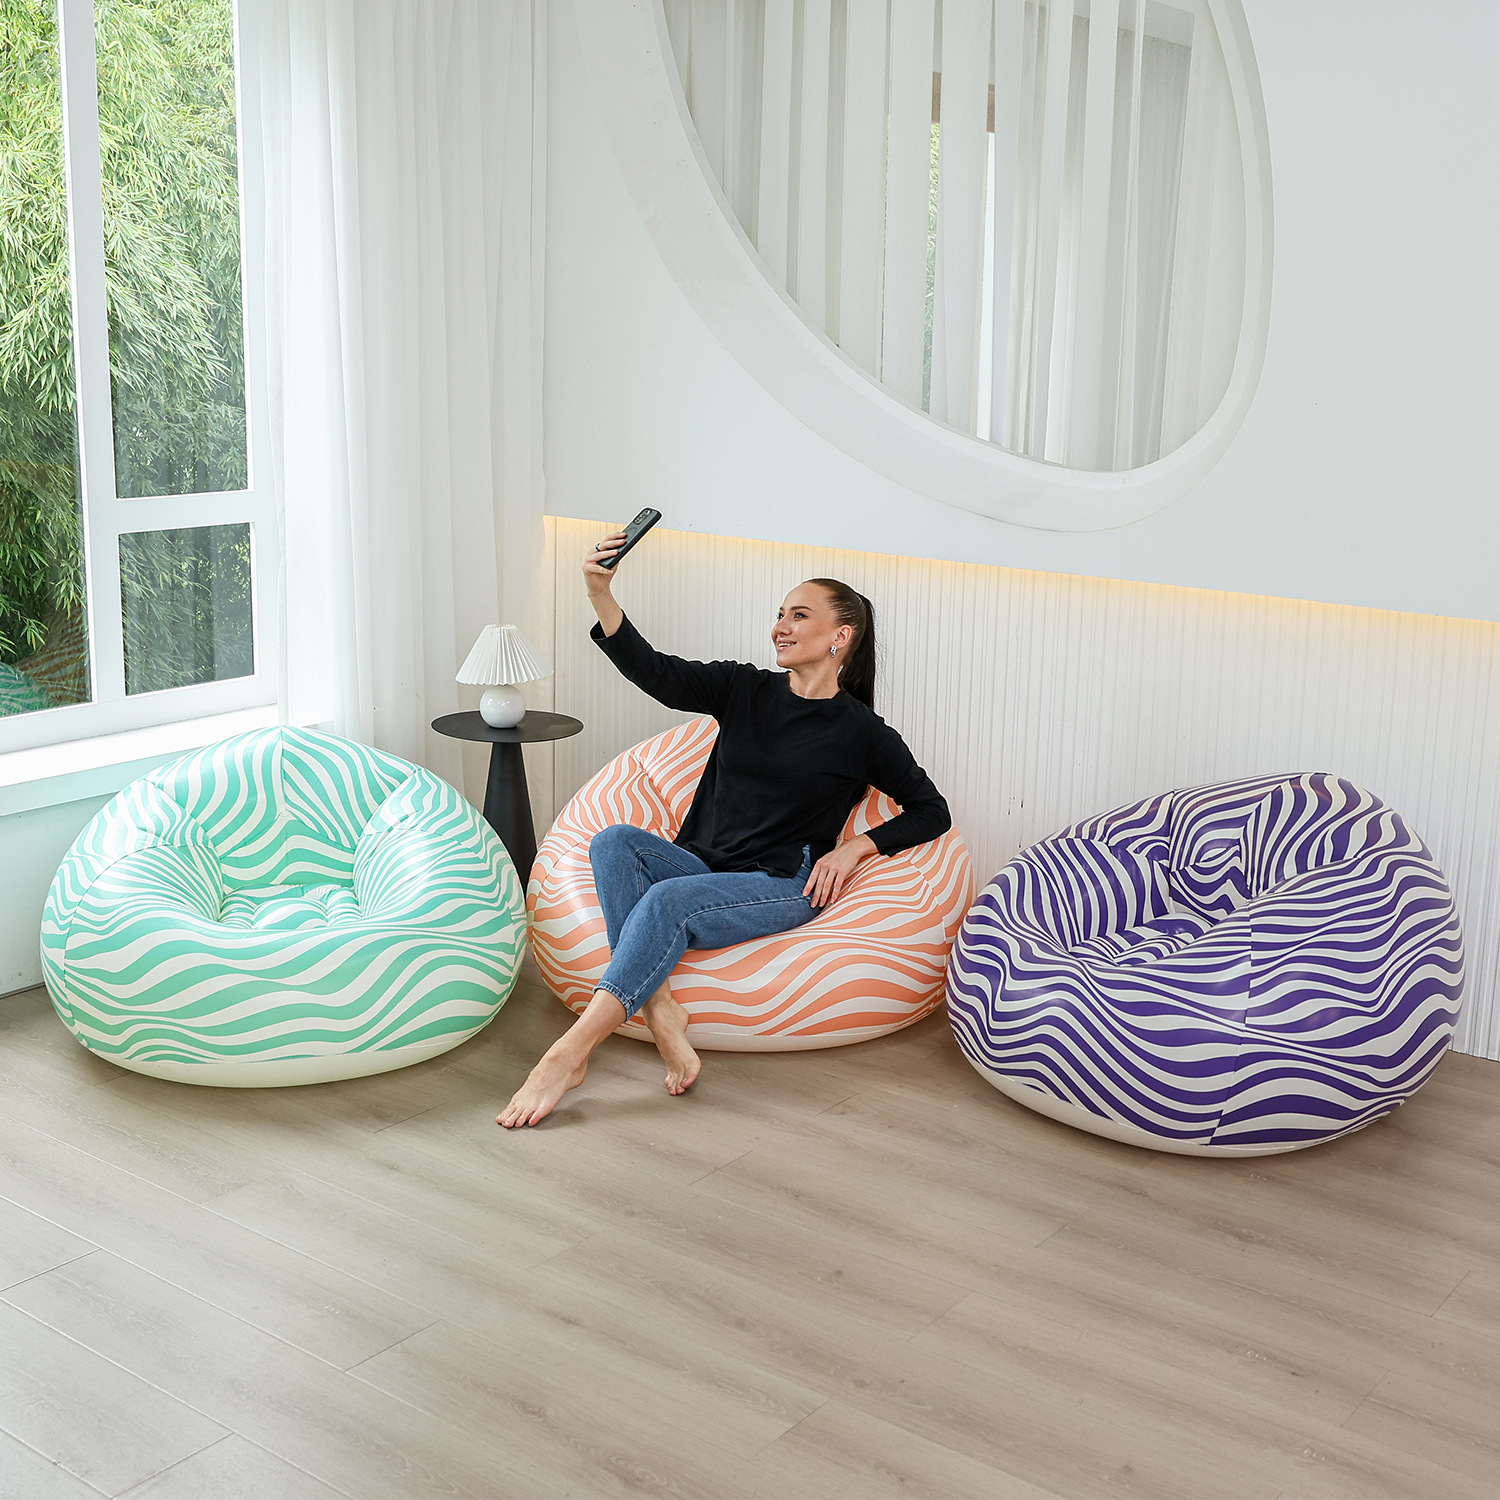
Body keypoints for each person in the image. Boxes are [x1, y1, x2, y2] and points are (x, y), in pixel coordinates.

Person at [497, 530, 952, 1128]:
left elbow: (931, 810)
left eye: (799, 615)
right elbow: (656, 672)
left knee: (667, 900)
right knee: (612, 842)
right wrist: (599, 592)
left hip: (780, 883)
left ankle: (568, 1054)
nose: (780, 626)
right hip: (702, 864)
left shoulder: (863, 733)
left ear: (840, 636)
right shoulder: (745, 688)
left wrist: (855, 850)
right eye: (780, 614)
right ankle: (660, 1007)